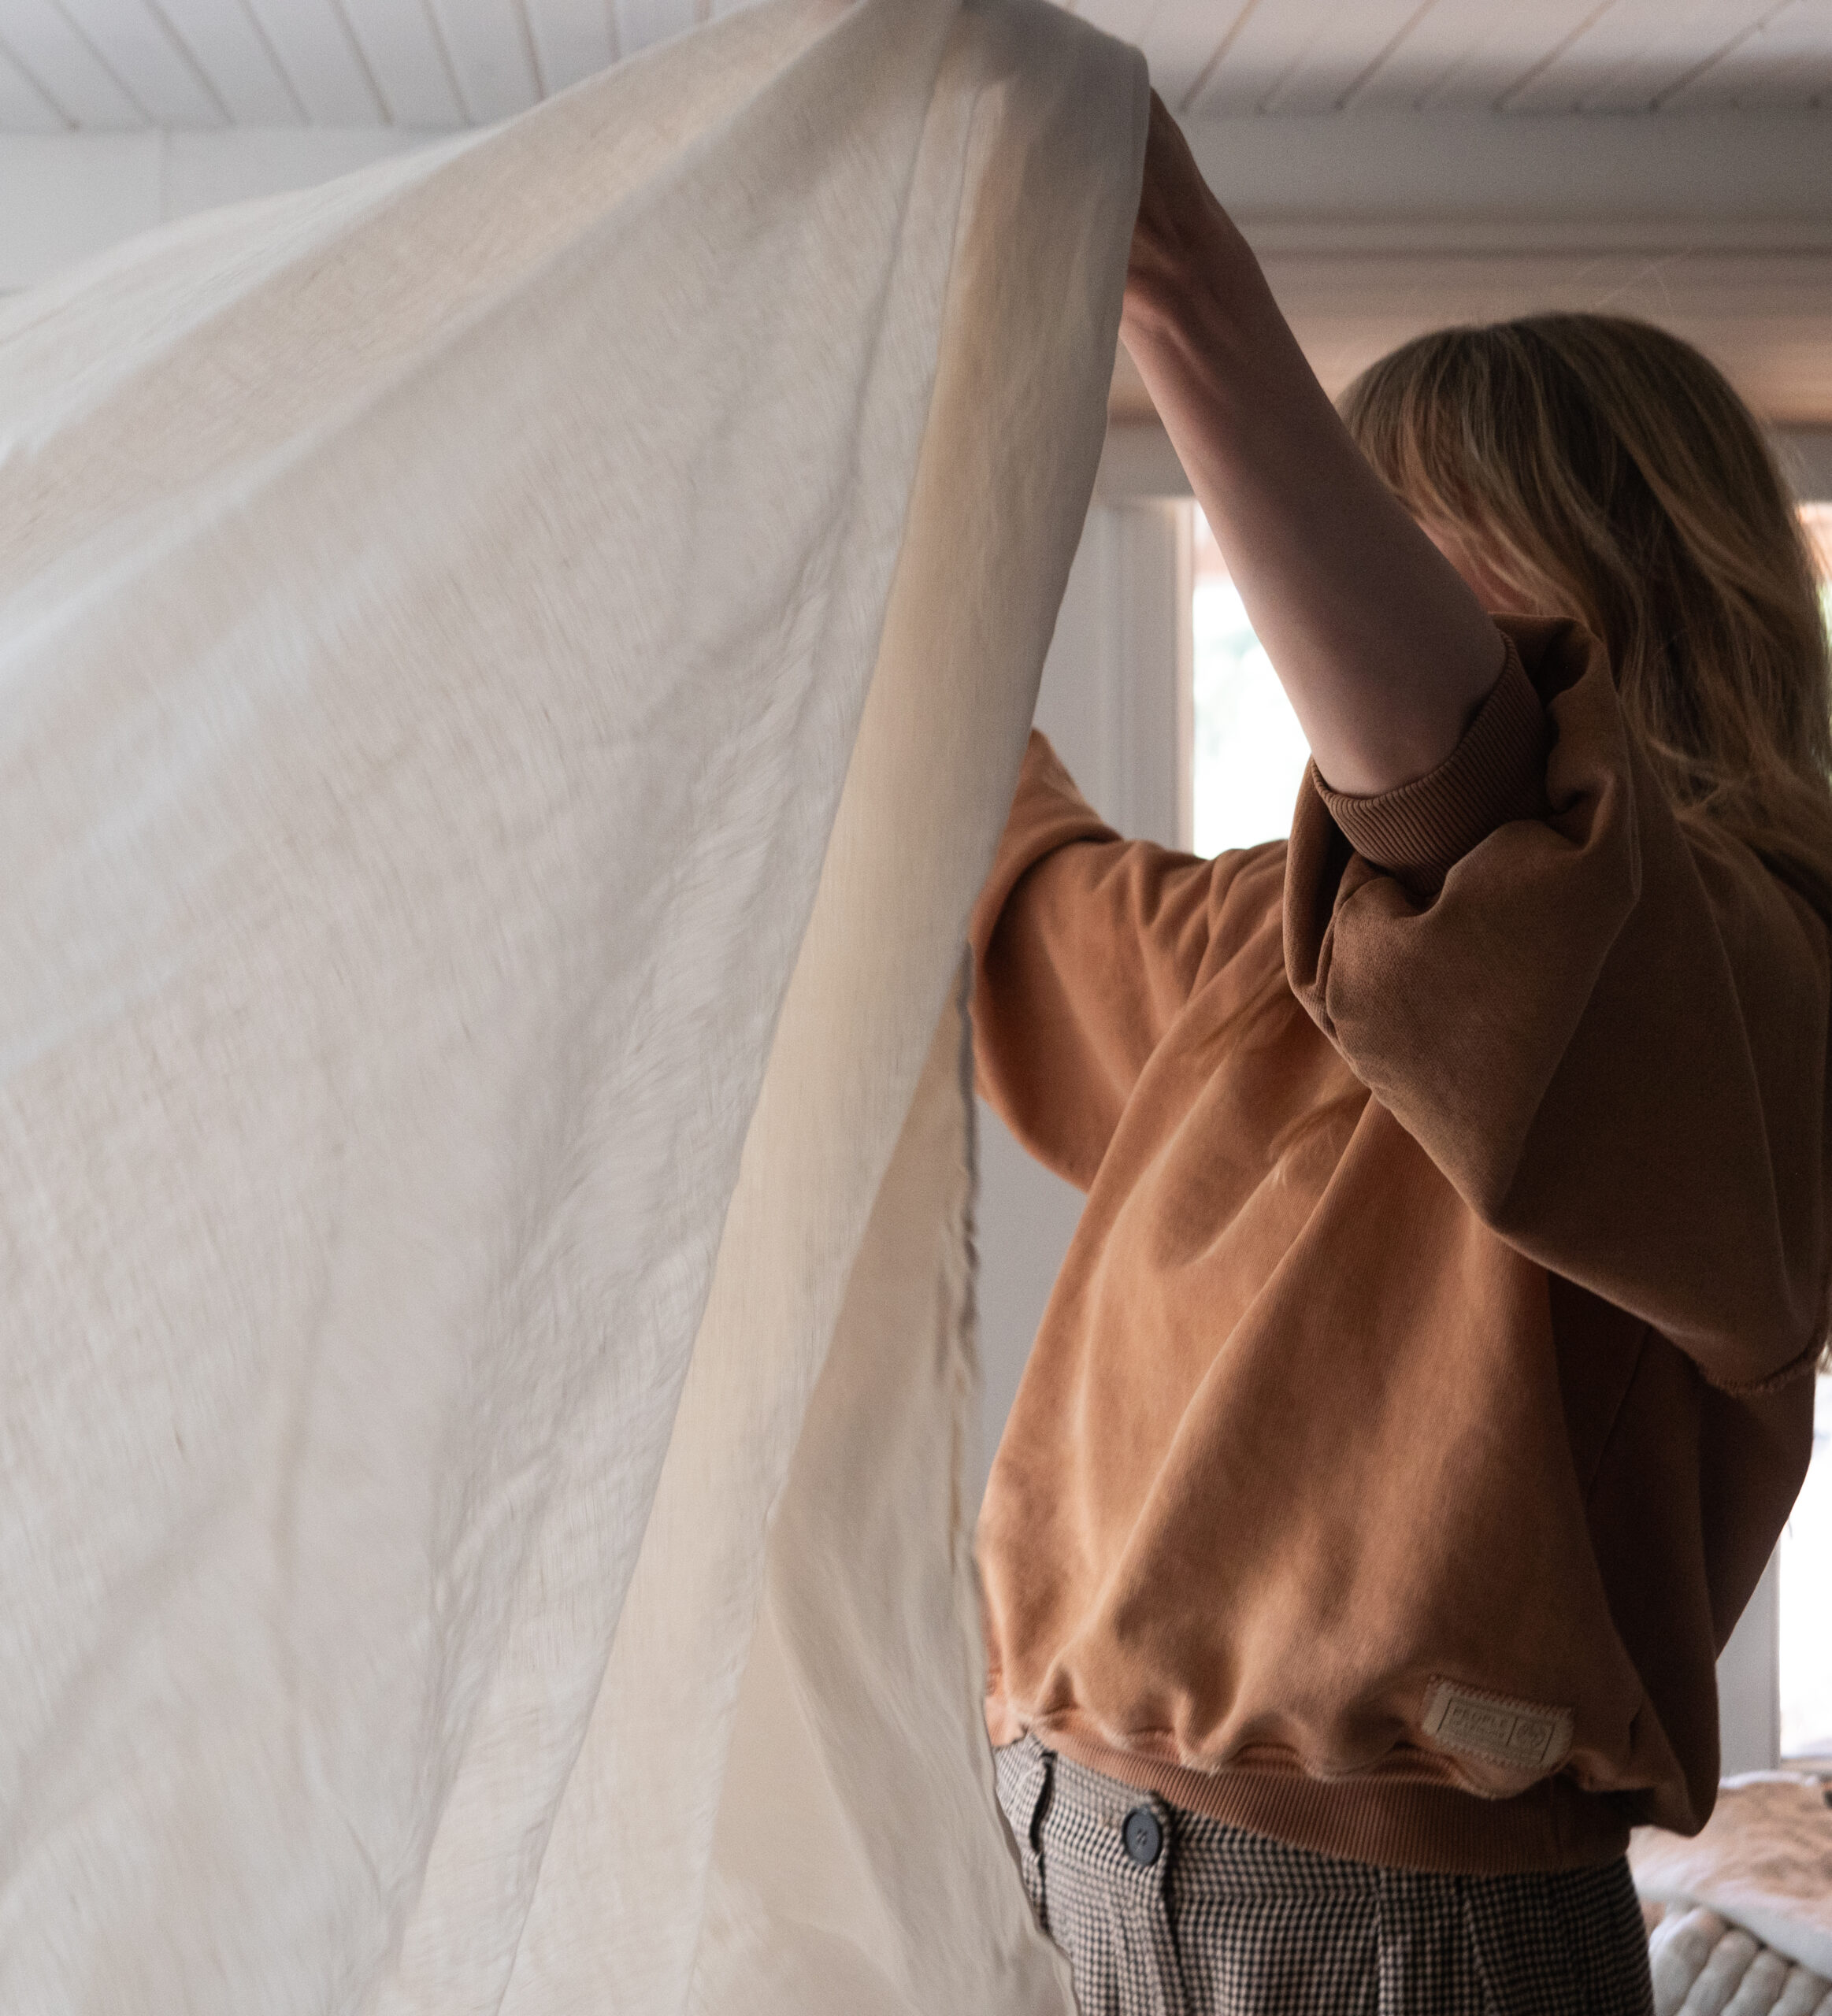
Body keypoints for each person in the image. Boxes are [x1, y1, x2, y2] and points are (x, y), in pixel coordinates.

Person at [972, 91, 1832, 2016]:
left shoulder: (1751, 986)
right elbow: (1010, 883)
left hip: (1379, 1934)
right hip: (1068, 1839)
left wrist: (1182, 281)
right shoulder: (1266, 955)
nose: (1332, 584)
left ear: (1597, 589)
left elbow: (1481, 807)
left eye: (1408, 522)